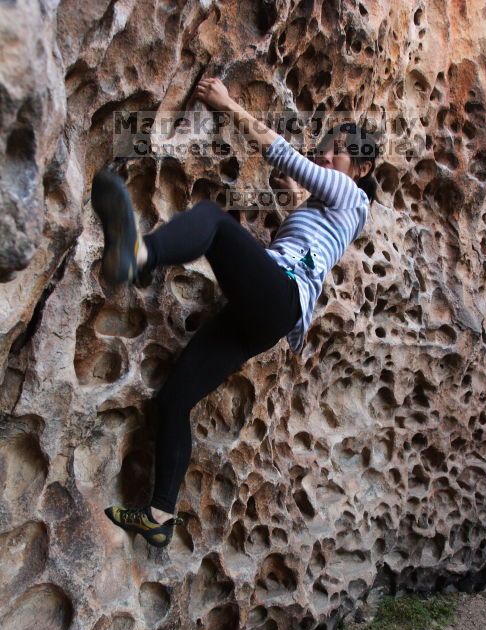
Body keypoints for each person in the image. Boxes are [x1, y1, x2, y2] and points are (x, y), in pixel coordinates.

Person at [93, 77, 379, 548]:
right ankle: (161, 515)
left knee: (213, 223)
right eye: (325, 148)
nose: (326, 156)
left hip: (280, 296)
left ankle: (137, 256)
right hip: (263, 317)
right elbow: (307, 229)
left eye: (338, 152)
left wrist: (228, 105)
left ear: (362, 166)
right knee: (174, 400)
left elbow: (284, 153)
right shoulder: (334, 211)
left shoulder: (352, 197)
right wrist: (292, 198)